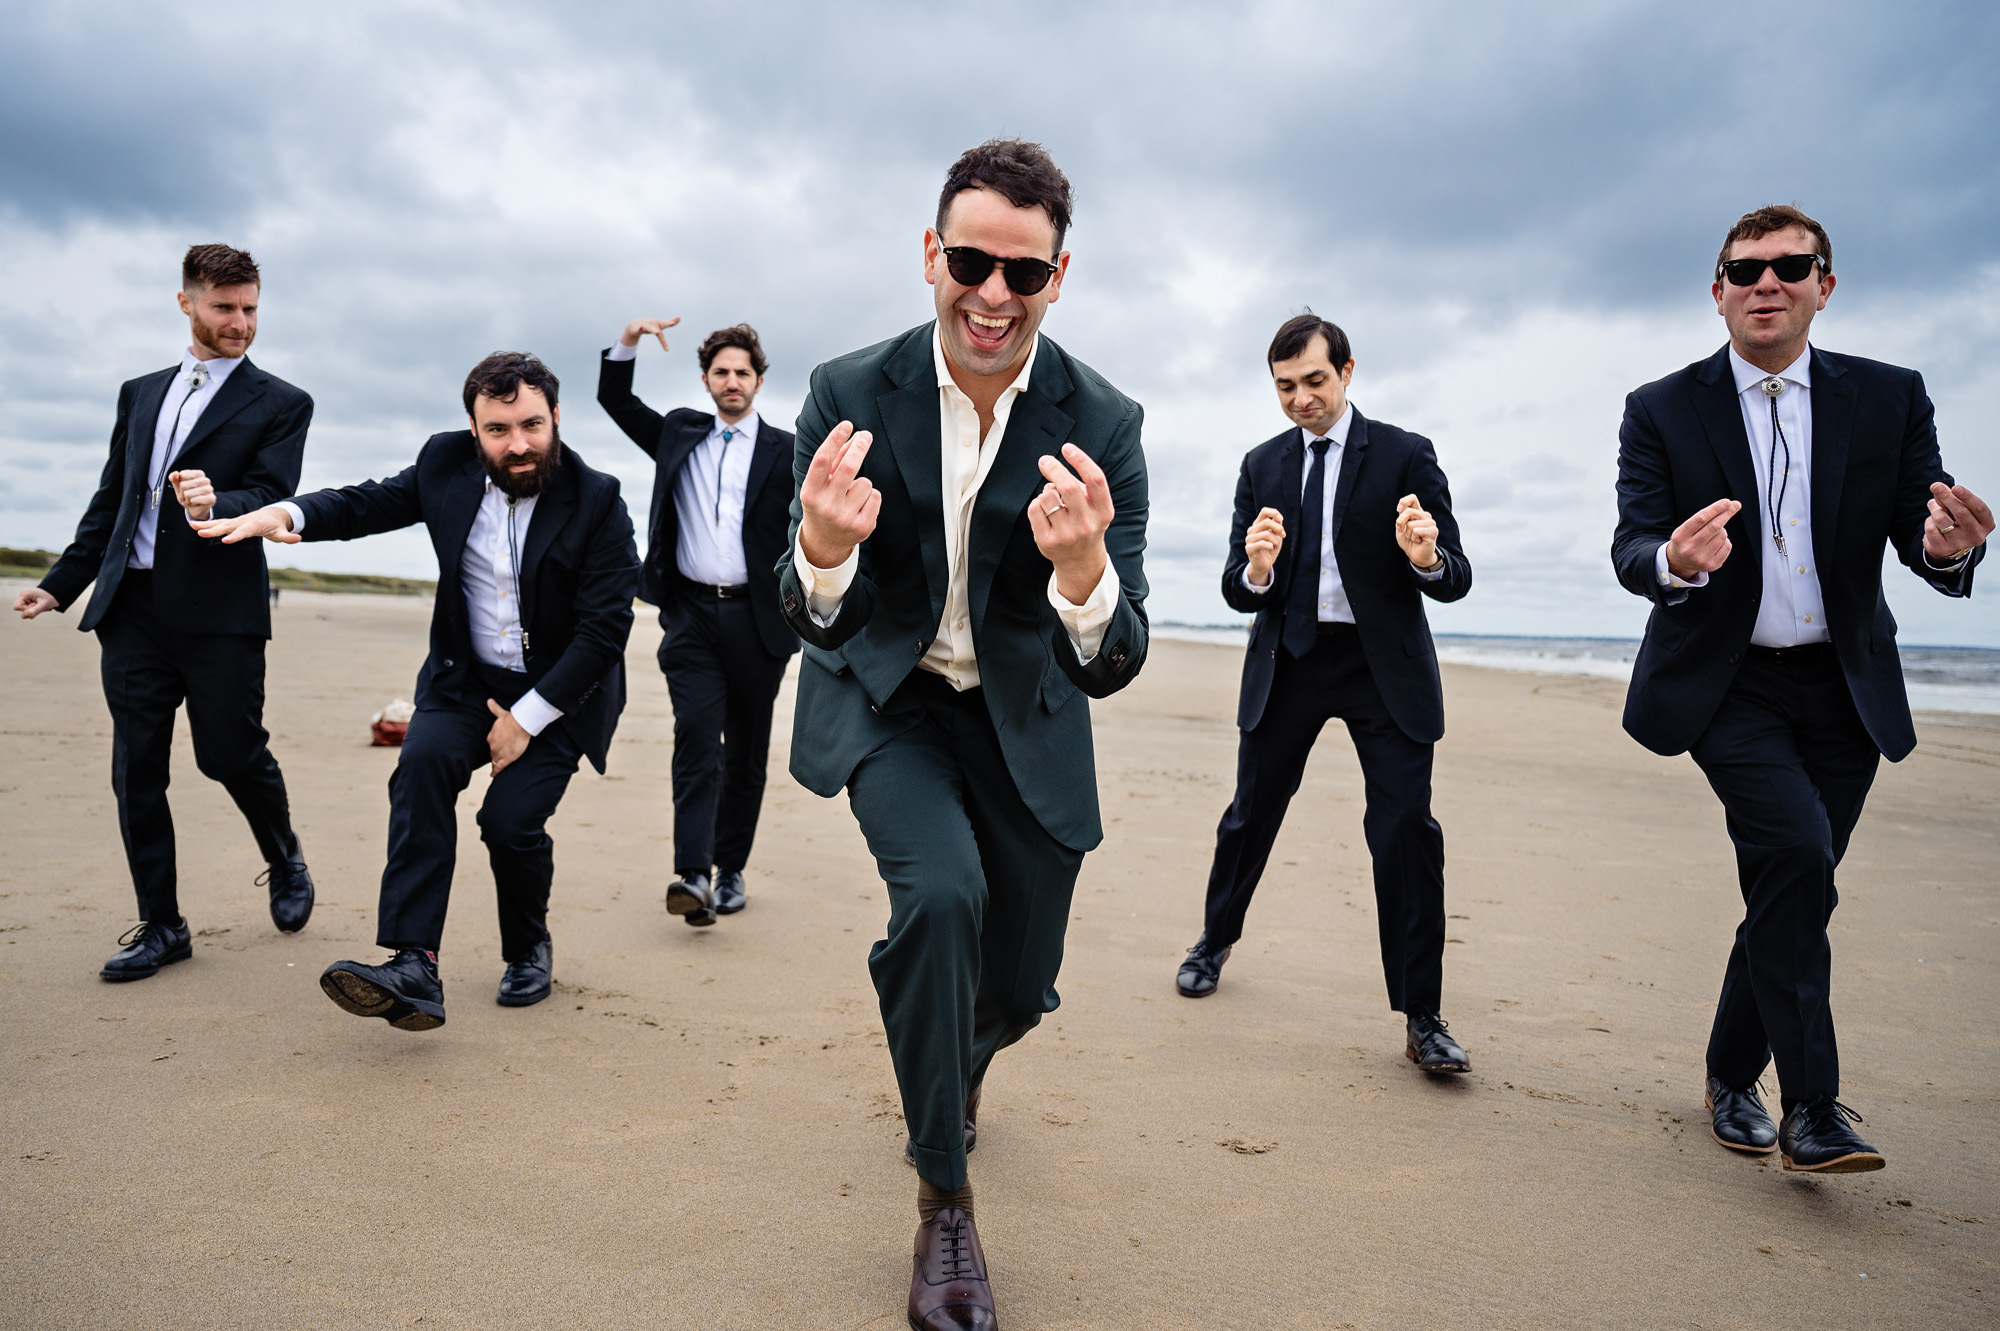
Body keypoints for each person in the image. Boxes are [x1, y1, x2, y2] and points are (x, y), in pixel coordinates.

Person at [781, 139, 1148, 1330]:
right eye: (973, 261)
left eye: (1024, 272)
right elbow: (804, 609)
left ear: (1059, 276)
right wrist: (824, 552)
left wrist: (1085, 573)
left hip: (1024, 720)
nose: (993, 294)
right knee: (938, 898)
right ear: (931, 253)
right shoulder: (845, 391)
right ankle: (944, 1198)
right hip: (889, 703)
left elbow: (1114, 657)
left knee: (1021, 984)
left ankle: (950, 1053)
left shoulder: (1104, 420)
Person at [1612, 205, 1990, 1173]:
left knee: (1795, 882)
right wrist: (1674, 559)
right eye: (1744, 270)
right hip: (1724, 685)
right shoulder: (1659, 406)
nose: (1764, 283)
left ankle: (1728, 1069)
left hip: (1843, 688)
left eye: (1789, 266)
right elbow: (1633, 545)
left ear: (1825, 283)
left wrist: (1946, 551)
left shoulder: (1888, 396)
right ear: (1716, 293)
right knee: (1794, 849)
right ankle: (1811, 1107)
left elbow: (1922, 526)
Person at [194, 352, 639, 1027]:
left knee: (509, 825)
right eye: (498, 430)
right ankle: (414, 963)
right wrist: (286, 513)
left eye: (531, 424)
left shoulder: (598, 498)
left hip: (561, 690)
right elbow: (367, 501)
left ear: (555, 417)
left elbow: (604, 633)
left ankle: (528, 948)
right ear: (473, 428)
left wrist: (526, 718)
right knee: (420, 771)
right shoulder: (444, 464)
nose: (518, 443)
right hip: (464, 681)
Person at [1176, 313, 1476, 1076]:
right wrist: (1258, 568)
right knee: (1251, 813)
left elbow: (1456, 576)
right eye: (1285, 386)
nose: (1301, 399)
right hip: (1292, 659)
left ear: (1347, 371)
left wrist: (1427, 554)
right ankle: (1214, 939)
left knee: (1407, 829)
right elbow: (1238, 588)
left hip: (1383, 668)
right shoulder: (1261, 464)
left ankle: (1423, 1015)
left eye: (1314, 381)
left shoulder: (1407, 455)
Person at [15, 243, 315, 980]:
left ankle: (284, 856)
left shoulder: (282, 401)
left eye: (250, 308)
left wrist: (223, 502)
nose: (240, 322)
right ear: (187, 303)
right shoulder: (140, 392)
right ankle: (164, 926)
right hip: (134, 610)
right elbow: (113, 497)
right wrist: (62, 582)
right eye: (225, 307)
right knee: (137, 770)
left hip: (220, 612)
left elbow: (273, 492)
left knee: (229, 755)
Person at [598, 320, 799, 926]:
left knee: (744, 753)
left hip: (759, 622)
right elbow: (616, 400)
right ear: (706, 380)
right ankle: (693, 872)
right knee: (695, 737)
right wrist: (627, 341)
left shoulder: (787, 450)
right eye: (721, 372)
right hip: (689, 618)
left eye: (742, 372)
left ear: (759, 381)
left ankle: (730, 867)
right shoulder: (679, 433)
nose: (731, 381)